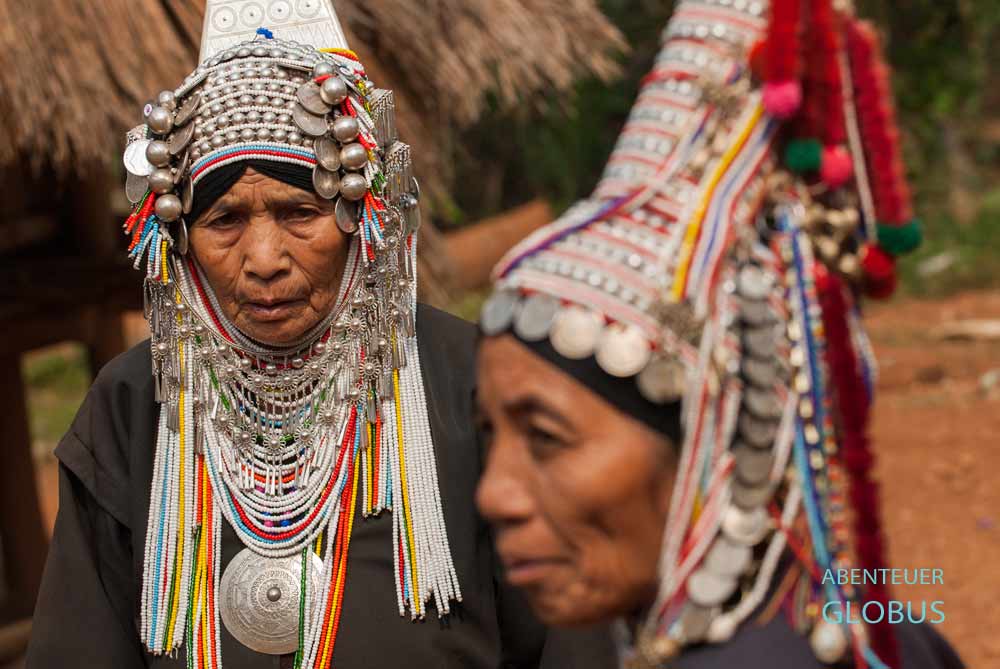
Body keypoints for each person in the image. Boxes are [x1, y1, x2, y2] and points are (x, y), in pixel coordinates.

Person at [27, 2, 612, 667]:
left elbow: (576, 636)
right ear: (181, 239)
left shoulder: (476, 383)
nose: (265, 256)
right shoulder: (135, 407)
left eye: (298, 211)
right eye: (225, 221)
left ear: (361, 219)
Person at [475, 1, 963, 668]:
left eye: (547, 436)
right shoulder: (896, 639)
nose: (494, 493)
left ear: (717, 444)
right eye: (490, 433)